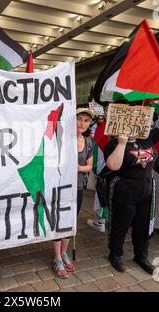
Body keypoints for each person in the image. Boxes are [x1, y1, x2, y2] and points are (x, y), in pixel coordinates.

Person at [104, 95, 159, 274]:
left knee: (142, 225)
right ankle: (115, 254)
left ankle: (141, 256)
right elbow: (113, 166)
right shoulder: (114, 143)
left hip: (146, 190)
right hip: (124, 189)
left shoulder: (146, 138)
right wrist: (122, 144)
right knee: (120, 224)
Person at [52, 108, 93, 279]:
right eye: (79, 119)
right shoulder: (62, 138)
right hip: (61, 186)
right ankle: (56, 258)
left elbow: (90, 165)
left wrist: (78, 168)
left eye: (86, 121)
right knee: (59, 221)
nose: (82, 123)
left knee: (71, 221)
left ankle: (64, 253)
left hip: (78, 188)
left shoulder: (89, 142)